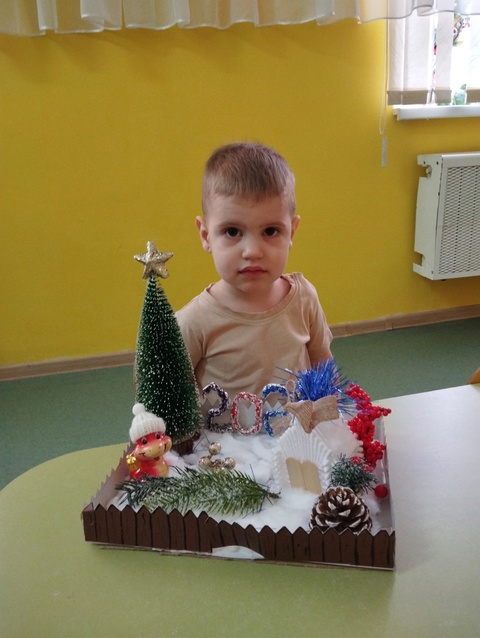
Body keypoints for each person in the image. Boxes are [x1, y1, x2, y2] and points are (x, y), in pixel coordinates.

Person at [176, 142, 333, 401]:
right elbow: (168, 396)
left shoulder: (304, 298)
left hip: (298, 427)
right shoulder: (193, 322)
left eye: (270, 231)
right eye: (232, 232)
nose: (252, 251)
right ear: (206, 235)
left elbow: (324, 369)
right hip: (223, 430)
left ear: (291, 233)